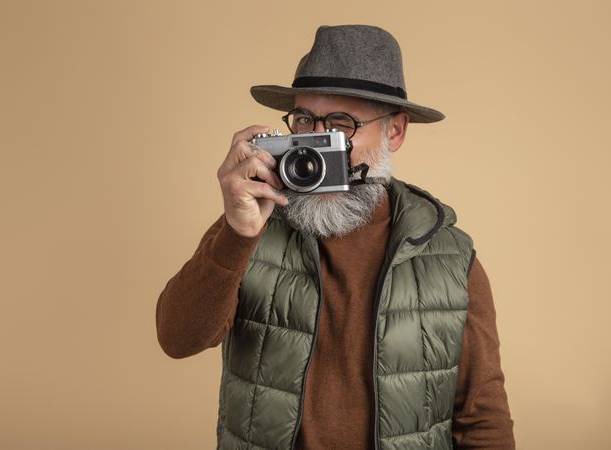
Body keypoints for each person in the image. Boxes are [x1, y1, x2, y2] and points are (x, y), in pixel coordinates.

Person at [156, 24, 515, 450]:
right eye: (305, 120)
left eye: (341, 125)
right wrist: (237, 232)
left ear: (395, 132)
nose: (315, 142)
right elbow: (177, 339)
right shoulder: (250, 227)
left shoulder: (449, 256)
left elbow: (482, 420)